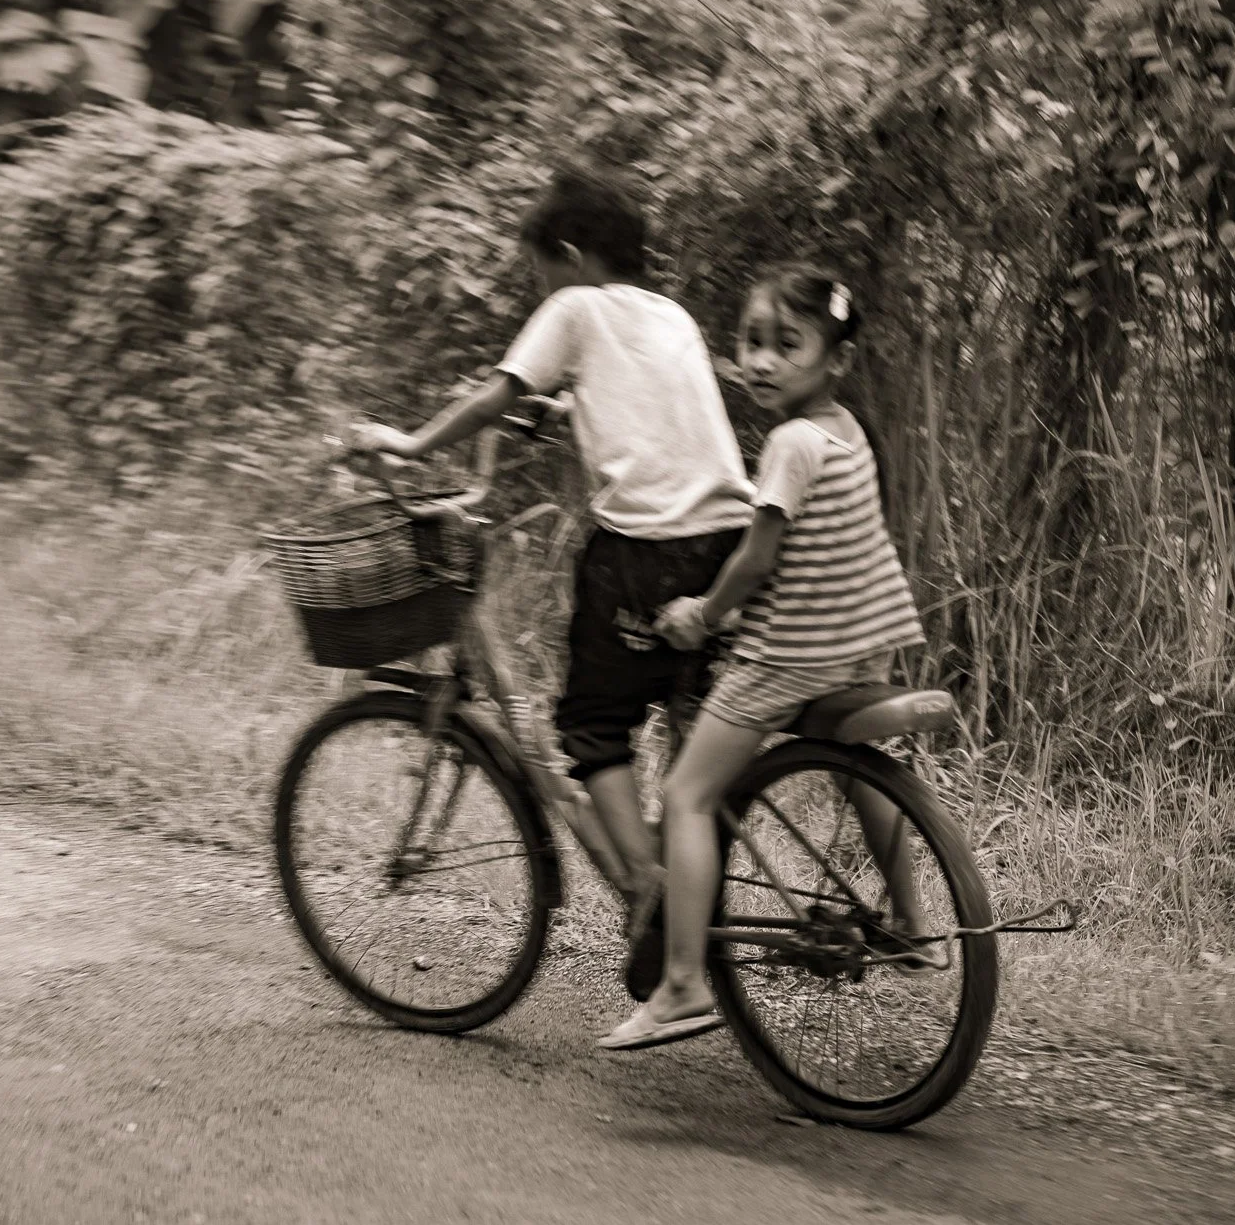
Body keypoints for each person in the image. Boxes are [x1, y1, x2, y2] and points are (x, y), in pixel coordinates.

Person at [352, 164, 753, 939]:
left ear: (570, 255)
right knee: (680, 715)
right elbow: (641, 398)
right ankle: (685, 884)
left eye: (540, 269)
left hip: (648, 547)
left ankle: (649, 892)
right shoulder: (671, 315)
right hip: (725, 540)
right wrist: (566, 402)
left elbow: (496, 392)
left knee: (591, 725)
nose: (542, 285)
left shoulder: (574, 305)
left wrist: (409, 444)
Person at [598, 265, 941, 1051]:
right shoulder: (846, 431)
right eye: (752, 342)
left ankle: (682, 984)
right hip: (866, 640)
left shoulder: (788, 443)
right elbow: (824, 553)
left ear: (835, 359)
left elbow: (758, 558)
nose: (761, 361)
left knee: (686, 792)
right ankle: (911, 922)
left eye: (787, 345)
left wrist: (704, 612)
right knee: (860, 766)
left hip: (792, 659)